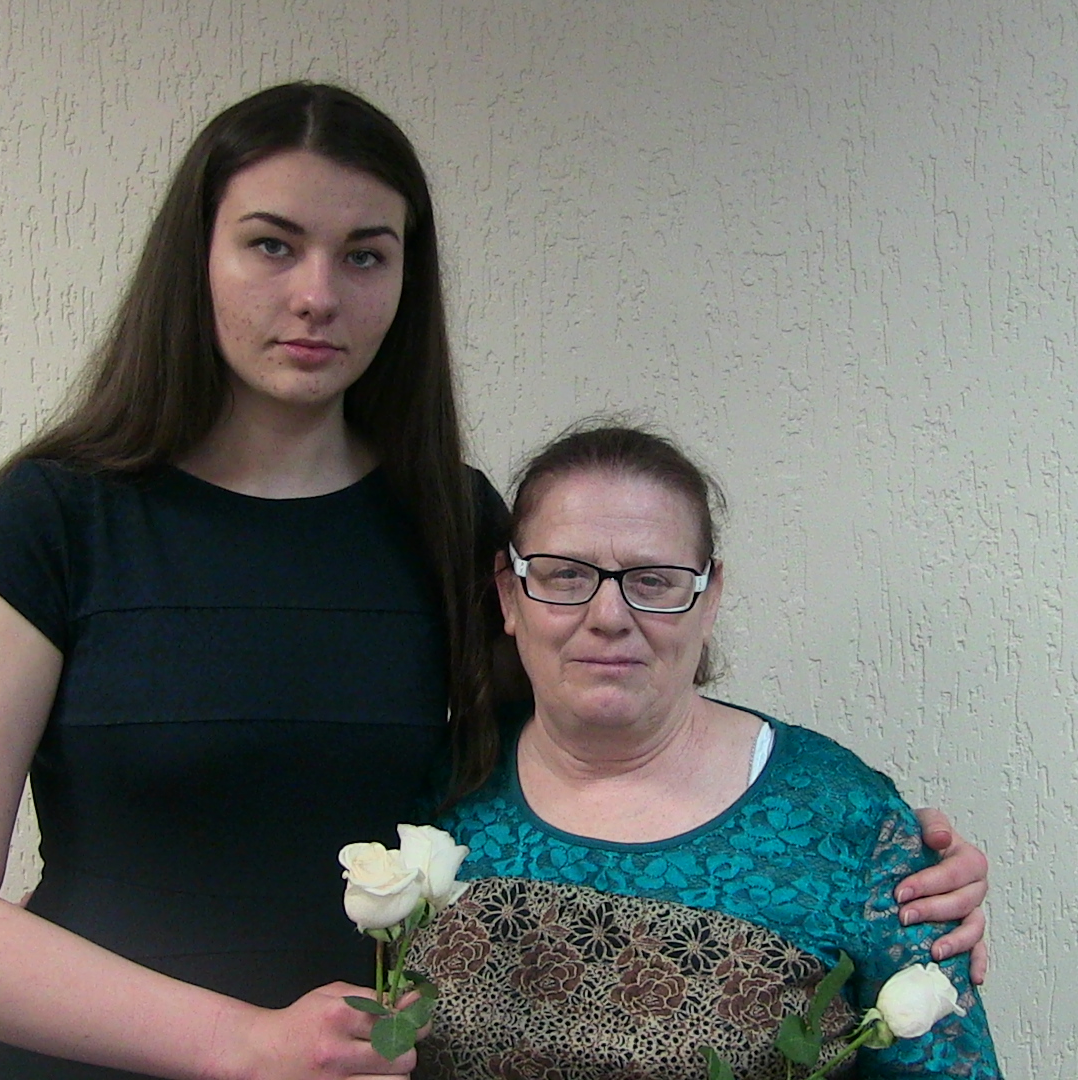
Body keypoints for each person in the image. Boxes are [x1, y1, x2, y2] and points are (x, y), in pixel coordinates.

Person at [0, 83, 991, 1080]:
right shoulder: (58, 517)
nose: (318, 294)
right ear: (195, 257)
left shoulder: (451, 524)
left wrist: (878, 874)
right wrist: (244, 1047)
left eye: (365, 254)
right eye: (271, 245)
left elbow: (607, 753)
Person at [411, 425, 999, 1079]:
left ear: (709, 595)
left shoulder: (844, 819)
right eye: (566, 575)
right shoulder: (437, 786)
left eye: (653, 581)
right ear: (508, 592)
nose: (608, 616)